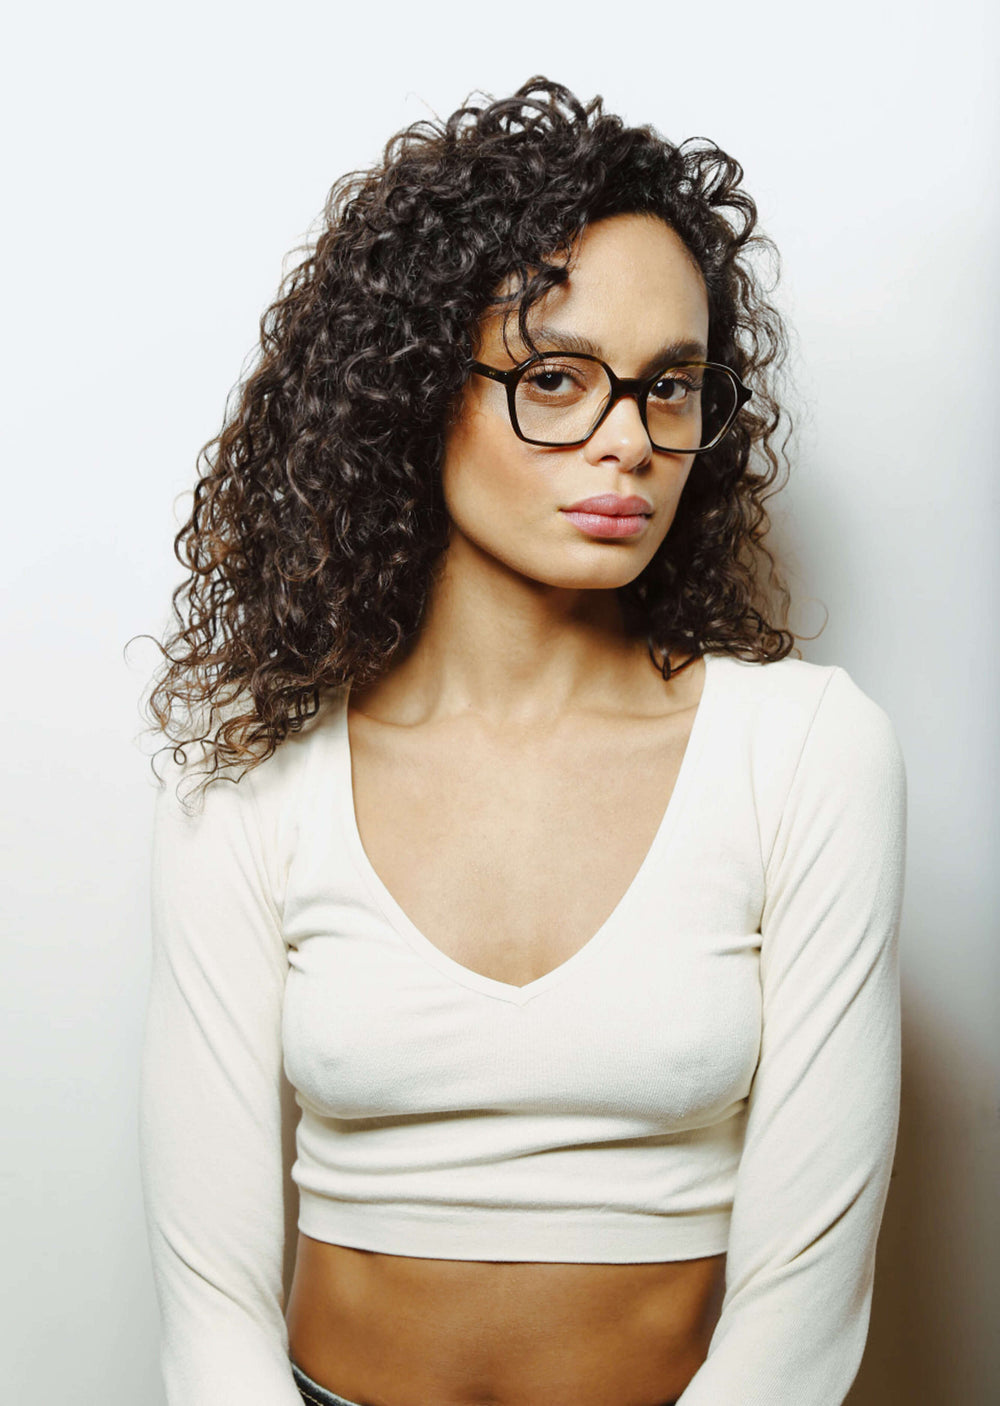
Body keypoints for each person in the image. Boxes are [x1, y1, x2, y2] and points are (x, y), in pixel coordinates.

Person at [137, 77, 907, 1406]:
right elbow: (211, 1308)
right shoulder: (255, 778)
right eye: (556, 379)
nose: (629, 442)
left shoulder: (806, 754)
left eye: (670, 388)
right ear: (414, 391)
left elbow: (801, 1310)